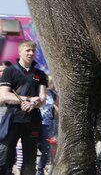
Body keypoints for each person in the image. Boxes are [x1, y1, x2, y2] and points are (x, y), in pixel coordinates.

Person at [0, 41, 48, 175]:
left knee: (30, 162)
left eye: (33, 50)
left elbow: (43, 98)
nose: (31, 53)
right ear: (20, 52)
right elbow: (3, 96)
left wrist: (34, 104)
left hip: (32, 121)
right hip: (12, 120)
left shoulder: (40, 74)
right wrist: (27, 99)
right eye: (27, 50)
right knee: (5, 159)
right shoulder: (9, 71)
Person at [37, 77, 59, 175]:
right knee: (40, 147)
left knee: (46, 148)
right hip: (36, 123)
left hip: (48, 125)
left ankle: (40, 169)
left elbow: (58, 109)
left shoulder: (53, 94)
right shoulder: (36, 92)